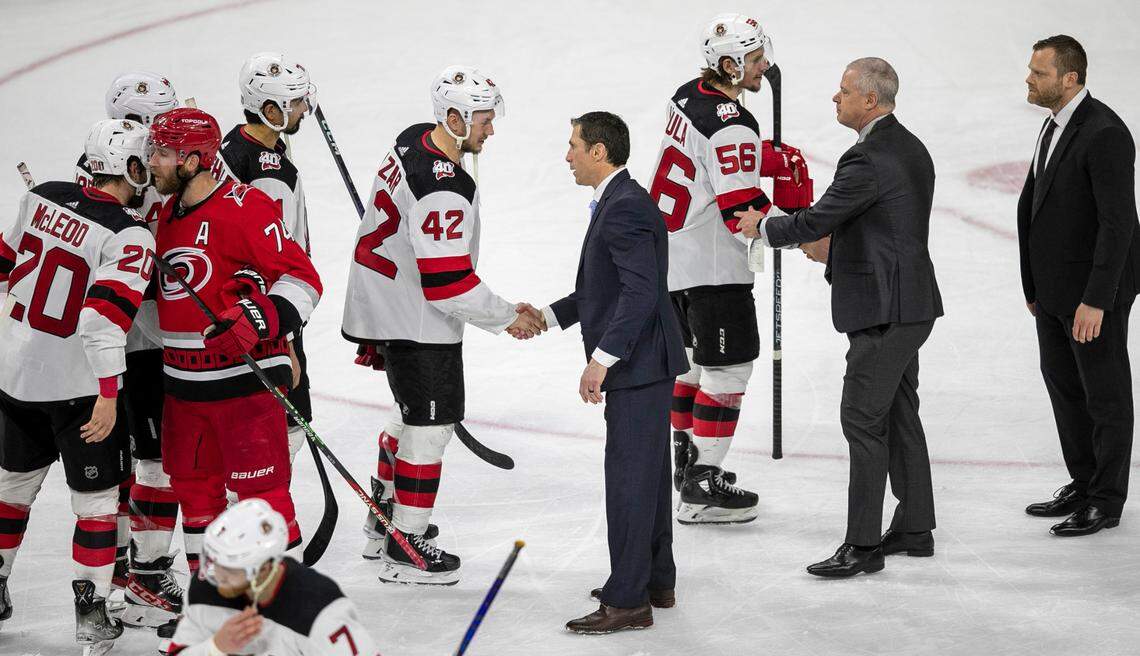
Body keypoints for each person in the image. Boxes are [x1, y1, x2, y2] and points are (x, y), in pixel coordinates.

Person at [341, 65, 541, 585]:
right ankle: (406, 545)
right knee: (429, 430)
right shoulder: (443, 186)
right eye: (482, 120)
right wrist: (507, 317)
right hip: (415, 320)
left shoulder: (414, 141)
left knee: (406, 417)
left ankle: (381, 522)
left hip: (389, 304)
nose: (490, 130)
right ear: (452, 118)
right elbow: (449, 285)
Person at [745, 57, 943, 577]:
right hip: (908, 302)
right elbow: (884, 226)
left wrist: (762, 227)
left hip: (885, 309)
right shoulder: (910, 146)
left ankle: (862, 545)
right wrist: (835, 249)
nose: (836, 98)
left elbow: (820, 217)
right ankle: (915, 527)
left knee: (861, 420)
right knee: (898, 412)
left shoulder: (868, 159)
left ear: (870, 100)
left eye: (844, 91)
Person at [648, 13, 812, 524]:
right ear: (730, 64)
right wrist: (798, 217)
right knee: (730, 368)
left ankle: (686, 464)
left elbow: (702, 155)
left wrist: (761, 156)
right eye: (756, 59)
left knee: (693, 365)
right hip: (713, 268)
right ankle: (702, 485)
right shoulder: (736, 123)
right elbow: (741, 214)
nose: (765, 65)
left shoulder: (688, 93)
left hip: (671, 259)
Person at [0, 119, 156, 651]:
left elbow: (4, 263)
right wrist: (110, 394)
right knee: (95, 503)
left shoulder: (42, 194)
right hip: (76, 390)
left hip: (15, 376)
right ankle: (91, 614)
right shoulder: (131, 234)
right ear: (129, 168)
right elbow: (99, 322)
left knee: (11, 491)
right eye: (145, 161)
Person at [148, 108, 322, 577]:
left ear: (193, 160)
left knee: (264, 507)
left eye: (163, 152)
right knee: (199, 510)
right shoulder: (161, 216)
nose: (152, 162)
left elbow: (304, 280)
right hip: (182, 396)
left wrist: (258, 317)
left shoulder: (247, 208)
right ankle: (215, 619)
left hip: (243, 394)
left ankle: (289, 621)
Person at [539, 112, 688, 633]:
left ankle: (627, 599)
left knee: (628, 478)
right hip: (648, 361)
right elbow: (605, 287)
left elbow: (641, 292)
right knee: (646, 475)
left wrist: (601, 360)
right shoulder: (622, 200)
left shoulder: (623, 207)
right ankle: (654, 578)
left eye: (574, 145)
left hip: (638, 364)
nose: (568, 155)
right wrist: (551, 315)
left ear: (599, 151)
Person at [75, 70, 184, 630]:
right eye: (143, 123)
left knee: (148, 463)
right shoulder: (112, 186)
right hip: (129, 347)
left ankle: (132, 571)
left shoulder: (166, 180)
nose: (151, 138)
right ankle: (136, 574)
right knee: (140, 466)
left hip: (154, 343)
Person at [1018, 35, 1139, 536]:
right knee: (1065, 389)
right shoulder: (1053, 127)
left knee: (1104, 395)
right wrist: (1033, 286)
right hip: (1053, 293)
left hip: (1092, 295)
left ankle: (1106, 500)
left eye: (1039, 73)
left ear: (1070, 78)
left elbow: (1119, 225)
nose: (1028, 78)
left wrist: (1097, 300)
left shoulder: (1105, 132)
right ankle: (1084, 479)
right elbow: (1035, 207)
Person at [213, 52, 317, 463]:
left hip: (240, 307)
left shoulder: (232, 145)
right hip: (269, 314)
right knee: (286, 427)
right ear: (270, 110)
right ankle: (265, 516)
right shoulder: (269, 172)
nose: (305, 110)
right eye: (295, 103)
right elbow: (271, 261)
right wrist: (286, 340)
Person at [164, 499, 380, 655]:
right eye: (213, 562)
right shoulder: (206, 588)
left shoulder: (320, 609)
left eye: (229, 568)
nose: (216, 575)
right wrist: (215, 648)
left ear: (263, 569)